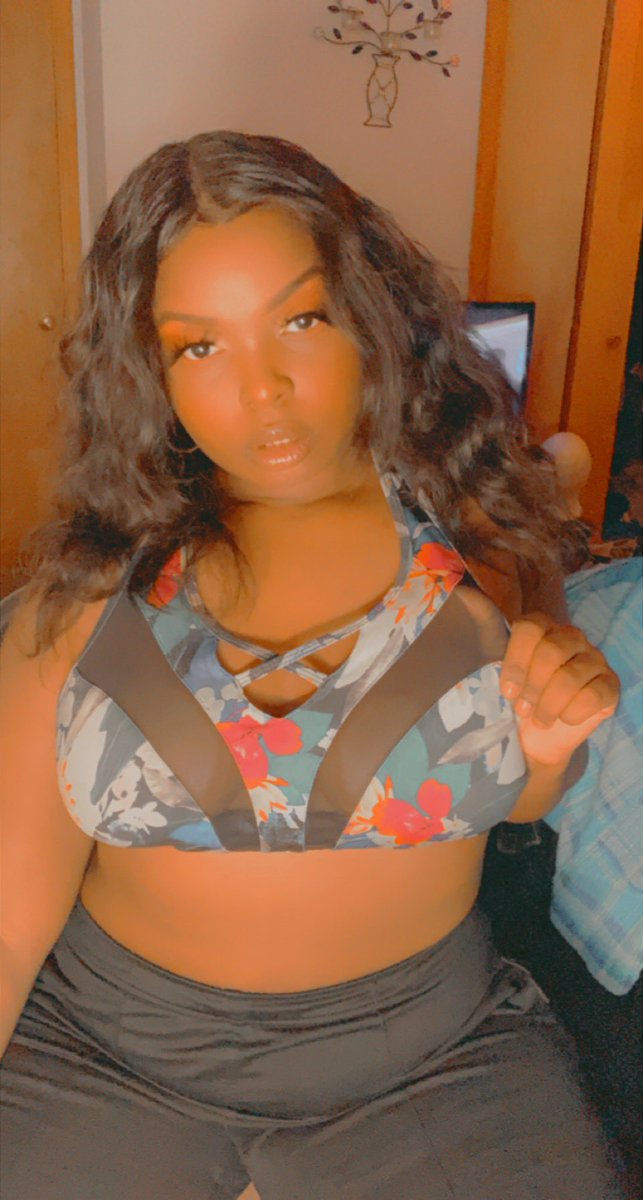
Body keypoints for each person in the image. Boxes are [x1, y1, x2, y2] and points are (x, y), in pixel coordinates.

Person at [0, 131, 623, 1200]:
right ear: (149, 369)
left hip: (430, 1061)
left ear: (368, 312)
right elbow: (8, 922)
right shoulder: (85, 594)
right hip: (108, 1060)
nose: (265, 390)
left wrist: (552, 738)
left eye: (300, 319)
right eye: (201, 346)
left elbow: (521, 789)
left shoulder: (478, 540)